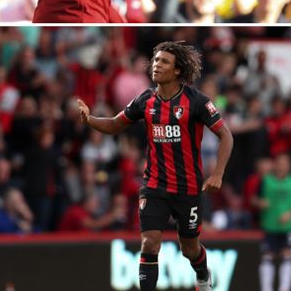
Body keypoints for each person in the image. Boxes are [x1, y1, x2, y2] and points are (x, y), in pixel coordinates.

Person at [77, 41, 234, 291]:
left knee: (189, 249)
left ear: (177, 70)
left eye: (164, 62)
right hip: (154, 185)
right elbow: (116, 124)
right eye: (156, 60)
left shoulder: (196, 101)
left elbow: (226, 136)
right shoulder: (145, 100)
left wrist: (218, 174)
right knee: (149, 243)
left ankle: (203, 274)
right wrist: (90, 120)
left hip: (187, 187)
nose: (157, 65)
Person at [255, 153, 291, 291]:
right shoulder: (266, 180)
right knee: (267, 257)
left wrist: (290, 213)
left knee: (288, 255)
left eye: (285, 164)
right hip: (270, 226)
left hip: (287, 227)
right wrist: (260, 203)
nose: (282, 167)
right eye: (279, 164)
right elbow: (253, 198)